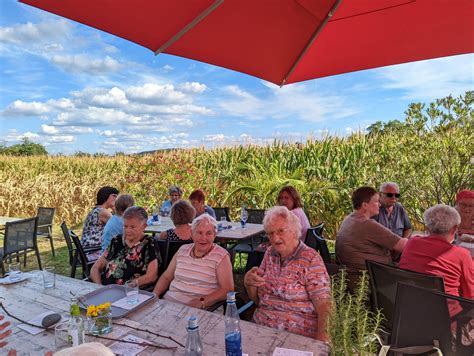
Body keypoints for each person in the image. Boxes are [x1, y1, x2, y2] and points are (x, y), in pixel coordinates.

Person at [244, 206, 331, 341]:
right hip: (262, 330)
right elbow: (259, 300)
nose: (275, 238)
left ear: (294, 231)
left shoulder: (310, 259)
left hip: (296, 336)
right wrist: (249, 282)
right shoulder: (270, 253)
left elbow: (325, 307)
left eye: (280, 231)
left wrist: (321, 343)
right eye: (271, 233)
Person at [153, 214, 233, 309]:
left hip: (200, 310)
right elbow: (167, 276)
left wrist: (201, 302)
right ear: (192, 233)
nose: (203, 238)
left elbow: (227, 289)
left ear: (215, 235)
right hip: (169, 304)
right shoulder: (182, 250)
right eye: (199, 233)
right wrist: (155, 294)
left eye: (209, 233)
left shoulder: (221, 256)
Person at [335, 186, 407, 289]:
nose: (380, 204)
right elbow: (403, 246)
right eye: (377, 201)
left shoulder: (349, 219)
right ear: (365, 205)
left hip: (354, 275)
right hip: (372, 281)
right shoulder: (367, 224)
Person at [399, 204, 474, 299]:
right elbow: (470, 296)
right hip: (447, 312)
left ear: (428, 228)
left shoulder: (412, 243)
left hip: (408, 305)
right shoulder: (462, 254)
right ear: (454, 228)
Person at [90, 206, 159, 286]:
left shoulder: (148, 243)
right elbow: (96, 268)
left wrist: (131, 285)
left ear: (144, 226)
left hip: (128, 293)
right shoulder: (116, 240)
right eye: (125, 226)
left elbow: (152, 276)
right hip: (105, 289)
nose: (128, 230)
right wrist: (99, 286)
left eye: (132, 227)